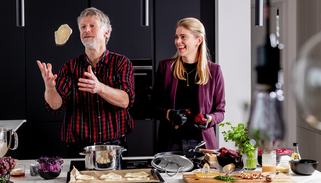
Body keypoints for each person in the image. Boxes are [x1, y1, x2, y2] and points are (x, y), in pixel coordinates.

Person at [37, 7, 135, 157]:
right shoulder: (70, 67)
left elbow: (125, 101)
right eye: (83, 27)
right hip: (78, 150)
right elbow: (56, 106)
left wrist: (100, 88)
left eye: (92, 26)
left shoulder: (121, 63)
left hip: (114, 147)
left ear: (106, 32)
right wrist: (50, 88)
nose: (86, 30)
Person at [152, 17, 225, 152]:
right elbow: (152, 107)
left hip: (202, 145)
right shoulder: (165, 67)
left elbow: (220, 111)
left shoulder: (214, 71)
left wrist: (209, 119)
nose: (178, 41)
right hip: (171, 143)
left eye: (183, 37)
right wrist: (169, 114)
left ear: (199, 40)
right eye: (176, 37)